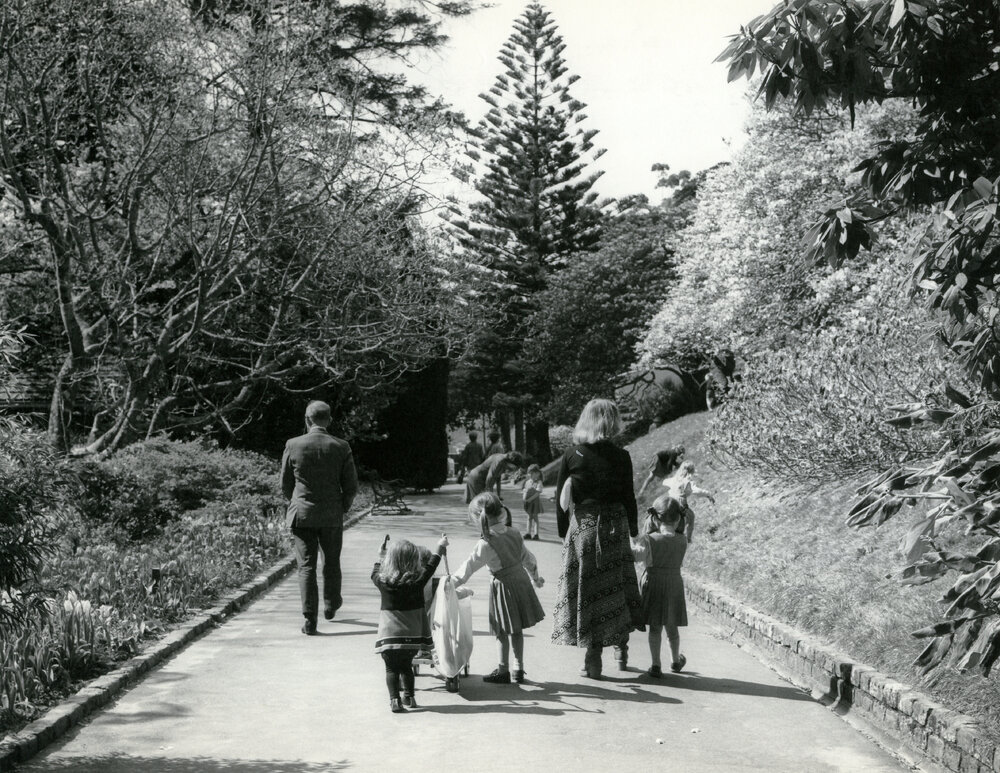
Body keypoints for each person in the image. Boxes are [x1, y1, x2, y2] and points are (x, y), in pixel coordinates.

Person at [552, 398, 643, 679]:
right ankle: (622, 647)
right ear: (611, 422)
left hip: (585, 529)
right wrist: (634, 530)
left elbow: (560, 499)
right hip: (615, 528)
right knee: (616, 586)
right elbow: (628, 496)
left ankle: (593, 658)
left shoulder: (572, 455)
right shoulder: (621, 456)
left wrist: (562, 532)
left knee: (589, 592)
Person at [281, 400, 358, 635]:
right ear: (330, 420)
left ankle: (309, 619)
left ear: (307, 419)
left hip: (302, 515)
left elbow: (285, 483)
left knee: (306, 567)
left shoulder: (293, 445)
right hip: (332, 514)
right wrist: (341, 506)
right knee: (332, 562)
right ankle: (331, 604)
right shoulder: (341, 446)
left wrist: (296, 502)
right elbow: (351, 485)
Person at [452, 493, 544, 684]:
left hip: (503, 587)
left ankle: (503, 669)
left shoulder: (485, 543)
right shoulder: (514, 532)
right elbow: (528, 559)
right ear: (500, 511)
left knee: (501, 630)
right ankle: (518, 667)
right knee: (517, 629)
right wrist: (536, 579)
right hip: (521, 582)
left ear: (479, 517)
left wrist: (449, 584)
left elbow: (467, 568)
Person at [372, 533, 448, 713]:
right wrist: (440, 546)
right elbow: (431, 566)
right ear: (414, 561)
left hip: (389, 637)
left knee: (391, 669)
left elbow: (374, 572)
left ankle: (394, 701)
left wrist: (380, 556)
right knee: (406, 667)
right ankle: (410, 697)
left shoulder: (383, 582)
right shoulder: (417, 582)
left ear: (391, 561)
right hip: (412, 638)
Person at [632, 494, 688, 676]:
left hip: (654, 585)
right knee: (672, 627)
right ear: (678, 518)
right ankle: (675, 660)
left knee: (655, 627)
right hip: (674, 585)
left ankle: (656, 664)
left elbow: (637, 557)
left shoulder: (650, 540)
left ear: (654, 518)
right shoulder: (682, 540)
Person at [662, 460, 714, 544]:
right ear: (692, 470)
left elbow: (665, 482)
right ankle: (688, 539)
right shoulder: (688, 481)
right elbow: (697, 491)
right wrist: (708, 494)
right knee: (691, 517)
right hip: (680, 504)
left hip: (669, 502)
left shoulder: (675, 478)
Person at [522, 463, 544, 540]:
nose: (530, 475)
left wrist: (529, 500)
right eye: (529, 473)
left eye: (532, 473)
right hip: (528, 503)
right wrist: (524, 499)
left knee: (535, 518)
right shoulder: (528, 482)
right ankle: (528, 533)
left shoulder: (539, 482)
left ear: (537, 473)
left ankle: (536, 534)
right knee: (528, 517)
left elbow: (537, 493)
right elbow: (525, 491)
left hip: (535, 502)